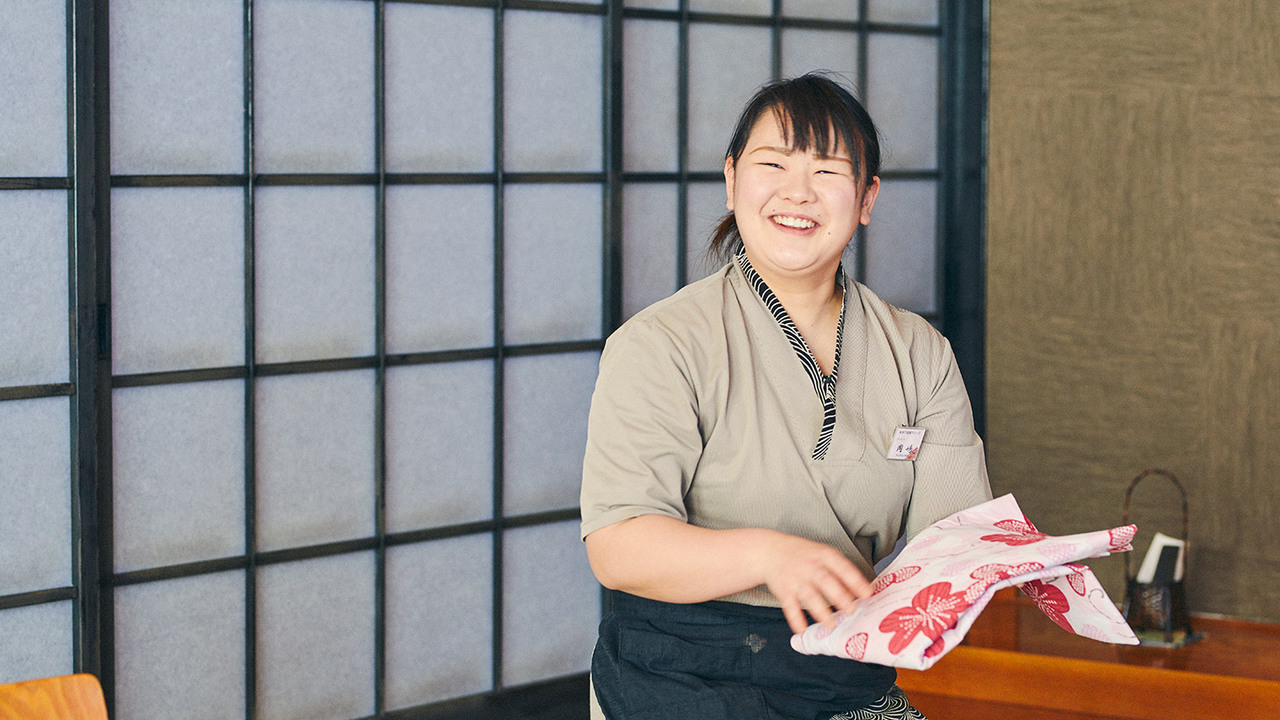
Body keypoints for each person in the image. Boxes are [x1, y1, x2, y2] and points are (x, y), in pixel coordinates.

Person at [579, 72, 992, 720]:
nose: (797, 192)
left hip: (842, 672)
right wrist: (769, 556)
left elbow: (953, 541)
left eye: (828, 171)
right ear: (732, 178)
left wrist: (1021, 562)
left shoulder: (919, 352)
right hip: (681, 673)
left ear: (866, 198)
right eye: (773, 163)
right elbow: (618, 545)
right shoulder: (660, 342)